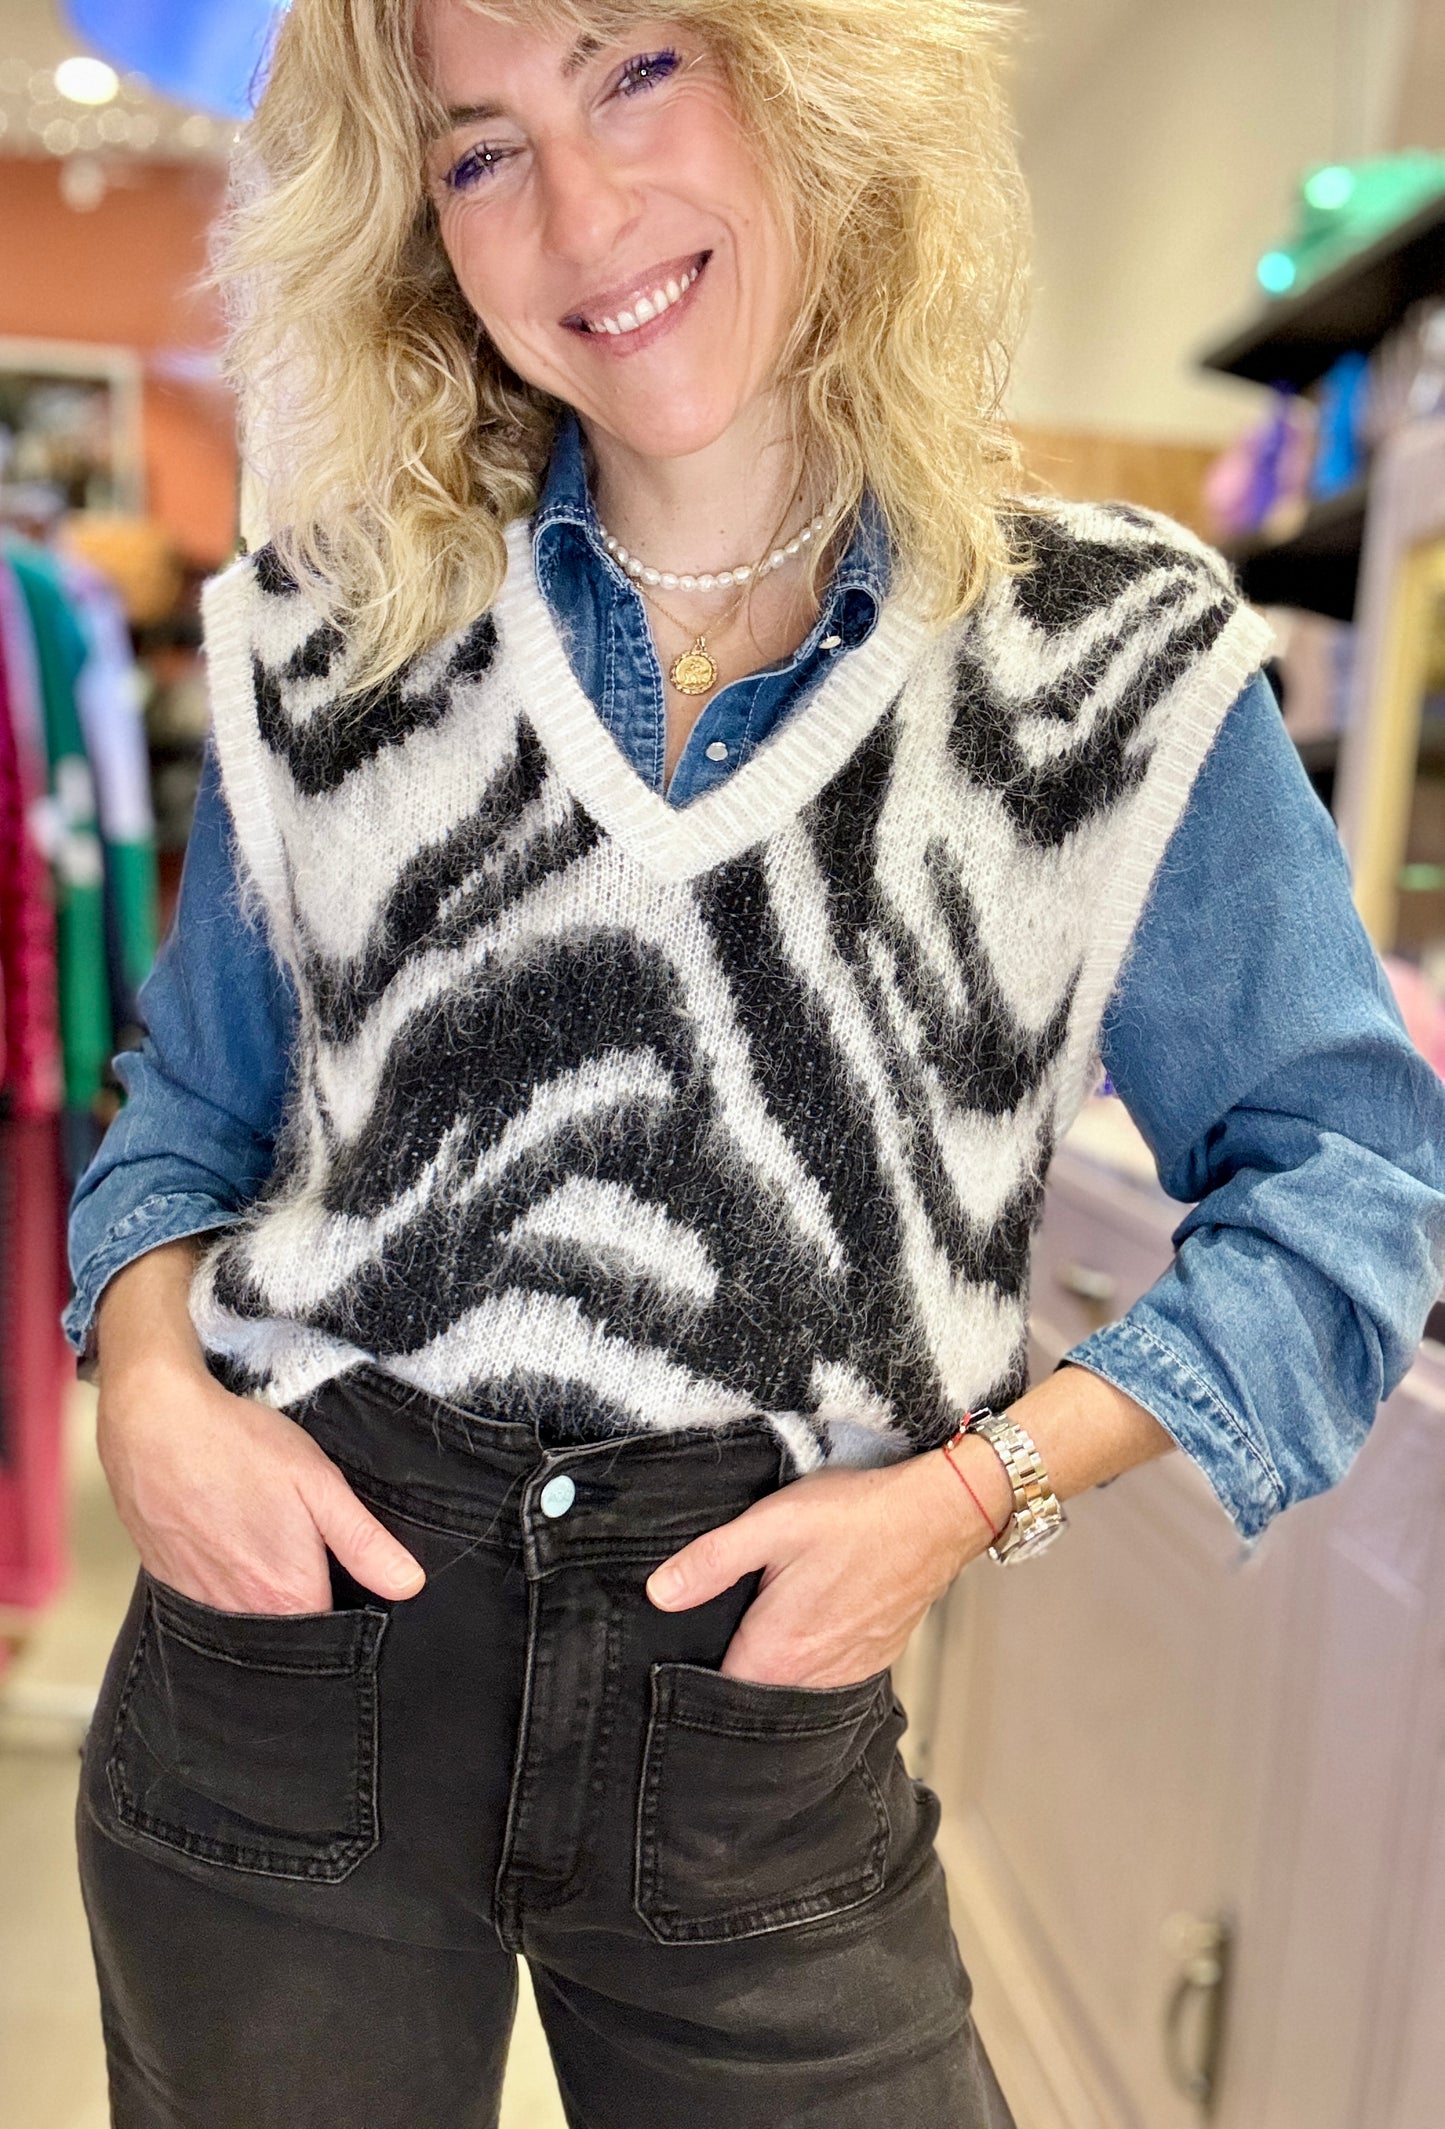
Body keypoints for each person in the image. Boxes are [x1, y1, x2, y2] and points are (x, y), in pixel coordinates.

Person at [67, 3, 1445, 2125]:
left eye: (634, 68)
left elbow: (1356, 1188)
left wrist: (970, 1497)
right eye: (479, 149)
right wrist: (155, 1394)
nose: (580, 209)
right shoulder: (330, 632)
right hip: (297, 1661)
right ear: (418, 223)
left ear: (810, 78)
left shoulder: (1109, 661)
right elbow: (185, 1118)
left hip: (758, 1715)